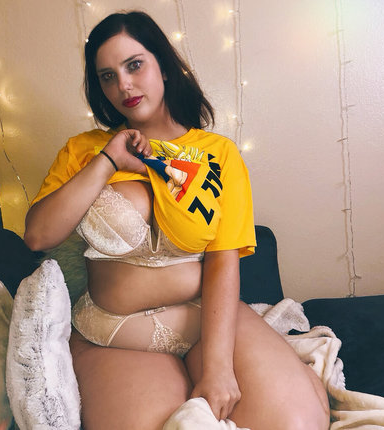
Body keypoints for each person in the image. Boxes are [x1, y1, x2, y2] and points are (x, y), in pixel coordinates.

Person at [24, 11, 330, 430]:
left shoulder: (218, 154)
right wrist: (109, 159)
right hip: (115, 333)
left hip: (205, 320)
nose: (124, 85)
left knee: (297, 422)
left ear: (164, 67)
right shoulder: (84, 150)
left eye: (134, 65)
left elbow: (223, 259)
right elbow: (38, 235)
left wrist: (219, 368)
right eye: (108, 76)